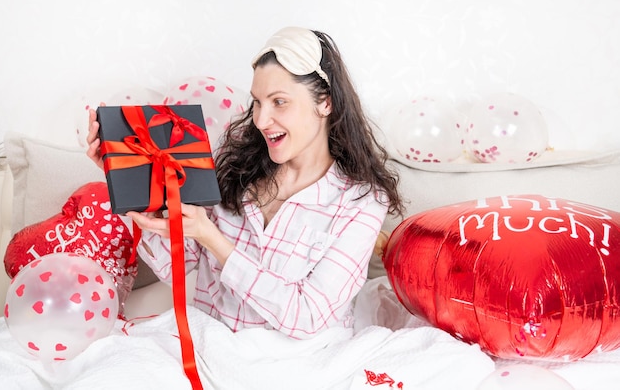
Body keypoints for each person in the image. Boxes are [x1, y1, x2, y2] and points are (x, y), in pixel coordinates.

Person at [86, 26, 403, 339]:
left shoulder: (361, 200)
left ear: (326, 103)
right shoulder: (233, 159)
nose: (262, 121)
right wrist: (132, 181)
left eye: (279, 102)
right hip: (216, 348)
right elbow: (175, 269)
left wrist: (214, 239)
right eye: (257, 102)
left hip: (300, 362)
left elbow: (308, 316)